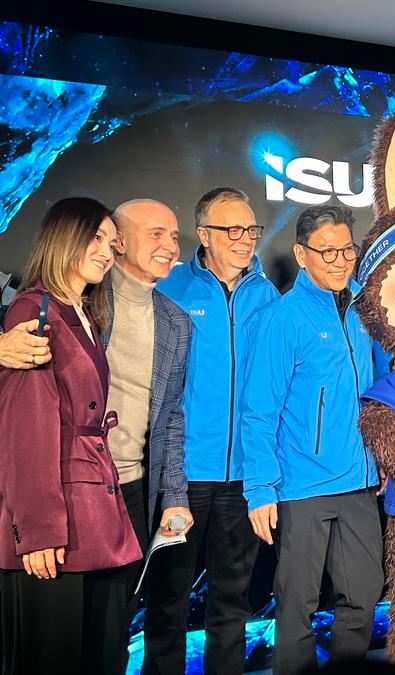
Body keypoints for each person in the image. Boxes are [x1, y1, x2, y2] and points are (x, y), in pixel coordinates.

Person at [0, 197, 142, 674]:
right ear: (64, 237)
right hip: (56, 523)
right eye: (95, 238)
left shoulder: (81, 311)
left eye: (111, 241)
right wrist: (38, 529)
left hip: (93, 510)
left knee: (101, 653)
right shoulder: (34, 309)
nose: (107, 251)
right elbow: (25, 427)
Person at [241, 205, 383, 673]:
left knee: (363, 594)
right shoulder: (284, 318)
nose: (341, 261)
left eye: (347, 249)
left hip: (360, 482)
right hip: (301, 484)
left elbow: (378, 390)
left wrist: (382, 457)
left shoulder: (365, 308)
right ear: (302, 254)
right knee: (297, 603)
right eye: (328, 252)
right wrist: (260, 488)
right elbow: (259, 410)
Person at [146, 187, 279, 674]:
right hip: (183, 474)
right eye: (232, 229)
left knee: (232, 597)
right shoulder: (171, 287)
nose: (246, 239)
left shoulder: (267, 294)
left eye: (251, 229)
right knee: (169, 596)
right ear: (204, 234)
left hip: (245, 475)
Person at [103, 199, 194, 671]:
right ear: (117, 241)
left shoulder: (176, 322)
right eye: (156, 233)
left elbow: (170, 417)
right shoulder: (82, 301)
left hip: (137, 490)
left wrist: (174, 496)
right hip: (77, 488)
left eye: (174, 236)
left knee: (117, 623)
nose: (170, 246)